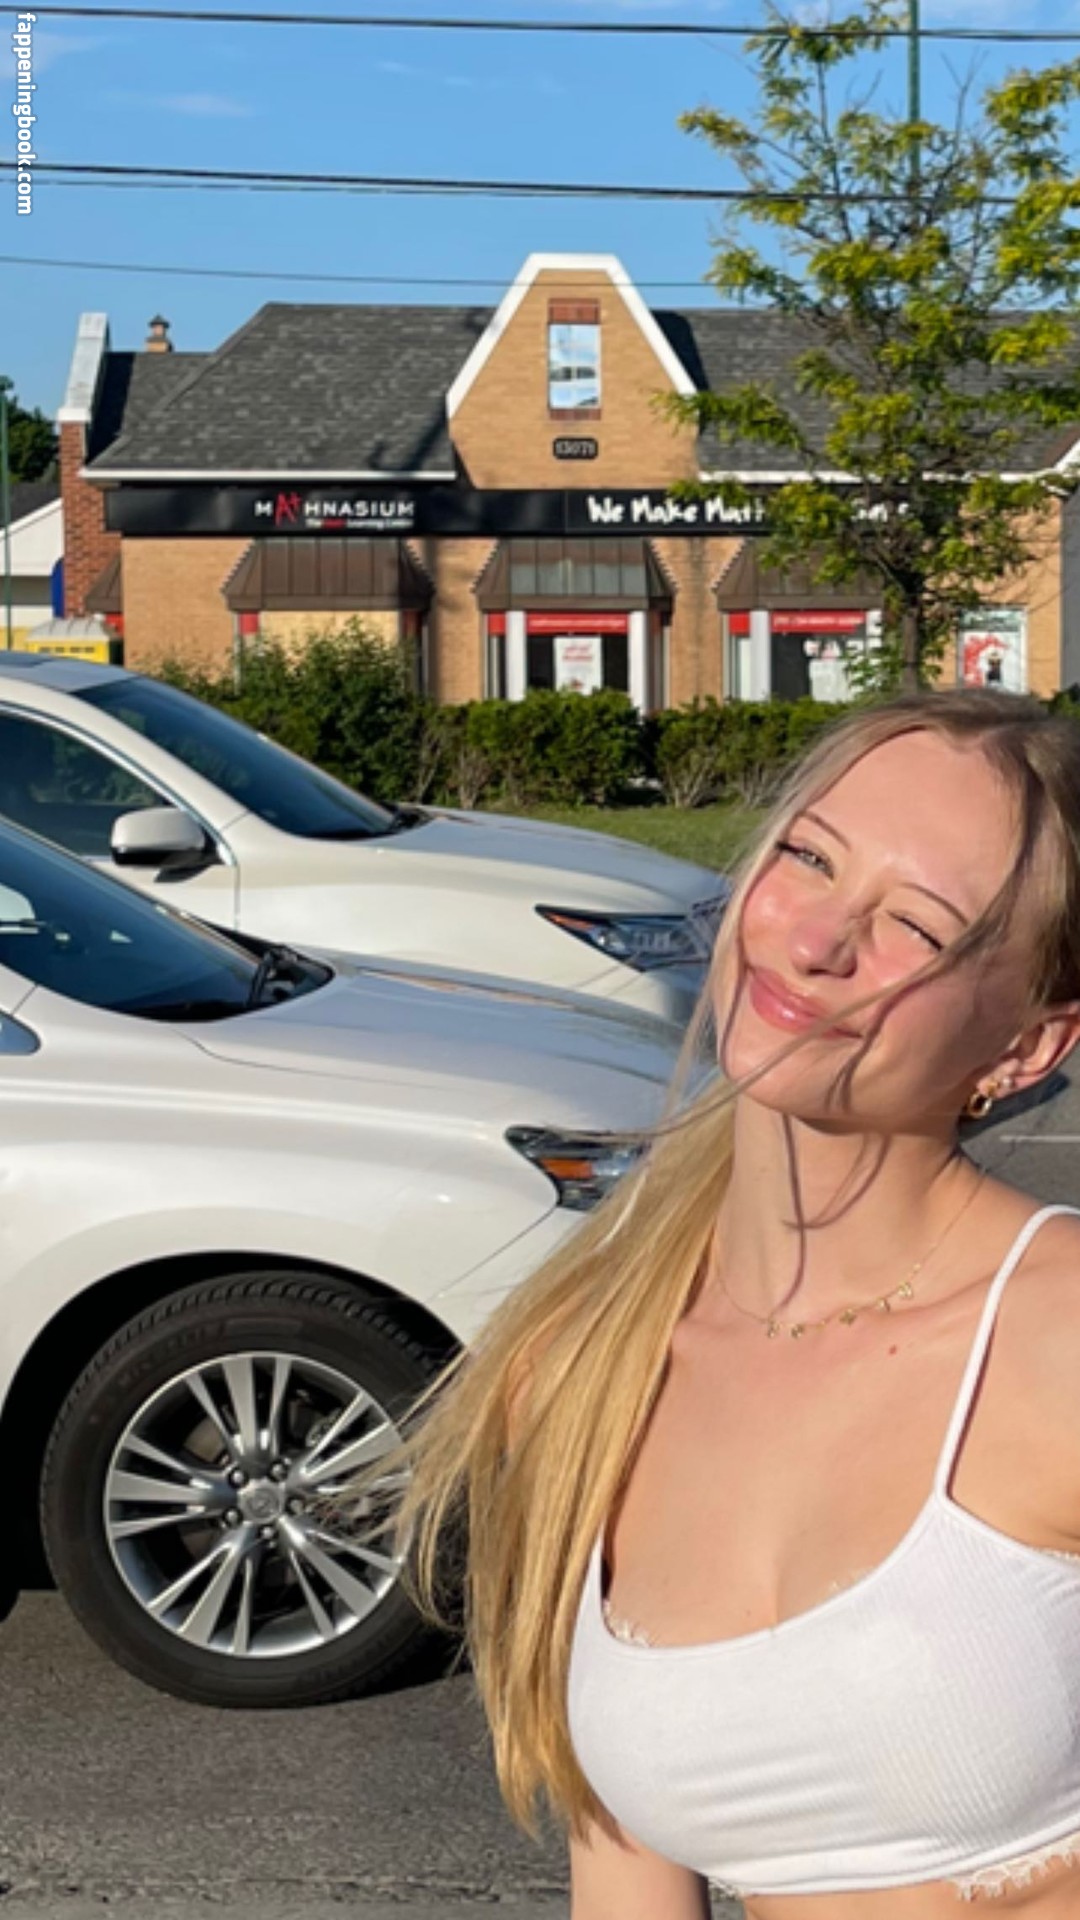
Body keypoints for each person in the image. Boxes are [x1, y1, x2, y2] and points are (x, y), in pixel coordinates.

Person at [398, 688, 1080, 1918]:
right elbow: (623, 1869)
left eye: (915, 926)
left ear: (1025, 1049)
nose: (817, 939)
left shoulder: (1055, 1339)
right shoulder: (577, 1365)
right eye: (810, 858)